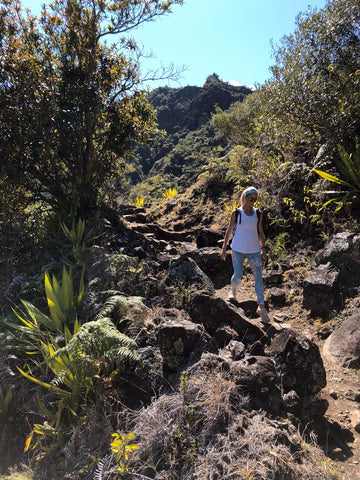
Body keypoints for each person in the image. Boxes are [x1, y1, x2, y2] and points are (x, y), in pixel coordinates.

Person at [220, 186, 270, 323]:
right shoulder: (236, 213)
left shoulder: (258, 213)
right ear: (244, 198)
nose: (252, 202)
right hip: (237, 249)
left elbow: (260, 232)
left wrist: (263, 248)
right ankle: (233, 290)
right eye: (250, 199)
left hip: (253, 250)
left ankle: (261, 307)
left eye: (255, 199)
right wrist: (224, 248)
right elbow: (229, 231)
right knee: (238, 274)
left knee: (258, 276)